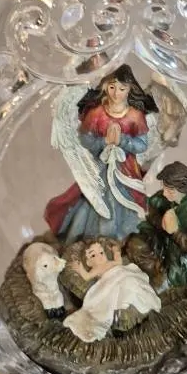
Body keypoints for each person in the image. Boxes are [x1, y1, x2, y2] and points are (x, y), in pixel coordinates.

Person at [45, 65, 157, 243]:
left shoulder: (135, 116)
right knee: (96, 202)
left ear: (130, 89)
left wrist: (122, 141)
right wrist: (104, 142)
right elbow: (85, 139)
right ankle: (92, 240)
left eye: (122, 89)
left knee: (125, 204)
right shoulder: (97, 113)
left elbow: (142, 144)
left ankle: (123, 241)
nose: (116, 93)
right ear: (105, 86)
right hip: (99, 167)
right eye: (112, 87)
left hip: (125, 169)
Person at [127, 161, 187, 290]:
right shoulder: (168, 198)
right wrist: (161, 222)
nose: (164, 193)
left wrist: (175, 231)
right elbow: (151, 206)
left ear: (182, 188)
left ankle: (160, 279)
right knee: (135, 244)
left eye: (170, 190)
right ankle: (153, 270)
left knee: (168, 280)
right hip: (163, 244)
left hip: (183, 261)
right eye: (164, 188)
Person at [62, 238, 161, 343]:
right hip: (111, 281)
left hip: (123, 274)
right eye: (93, 255)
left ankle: (143, 299)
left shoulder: (110, 263)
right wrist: (80, 268)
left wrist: (115, 252)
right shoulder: (96, 269)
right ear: (89, 262)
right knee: (123, 287)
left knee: (132, 281)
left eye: (101, 252)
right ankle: (129, 300)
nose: (99, 256)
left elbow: (119, 262)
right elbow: (87, 276)